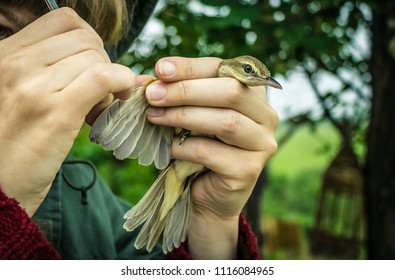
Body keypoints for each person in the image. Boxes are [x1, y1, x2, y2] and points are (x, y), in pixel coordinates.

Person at [0, 0, 279, 259]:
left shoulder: (91, 207)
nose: (35, 77)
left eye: (73, 50)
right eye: (2, 31)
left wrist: (212, 222)